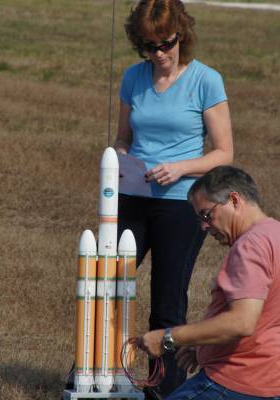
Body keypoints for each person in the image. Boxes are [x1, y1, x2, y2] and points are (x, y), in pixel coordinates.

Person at [114, 0, 233, 397]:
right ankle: (98, 369)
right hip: (133, 197)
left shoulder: (206, 80)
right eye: (149, 46)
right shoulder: (133, 78)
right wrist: (119, 160)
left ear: (182, 35)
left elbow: (223, 153)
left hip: (181, 202)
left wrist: (180, 167)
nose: (159, 54)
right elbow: (123, 139)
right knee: (108, 284)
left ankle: (163, 388)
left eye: (166, 44)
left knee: (166, 301)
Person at [139, 166, 280, 399]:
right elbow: (266, 317)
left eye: (206, 215)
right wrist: (206, 345)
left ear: (234, 199)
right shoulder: (274, 233)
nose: (204, 226)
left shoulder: (249, 247)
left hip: (235, 381)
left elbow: (242, 322)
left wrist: (167, 337)